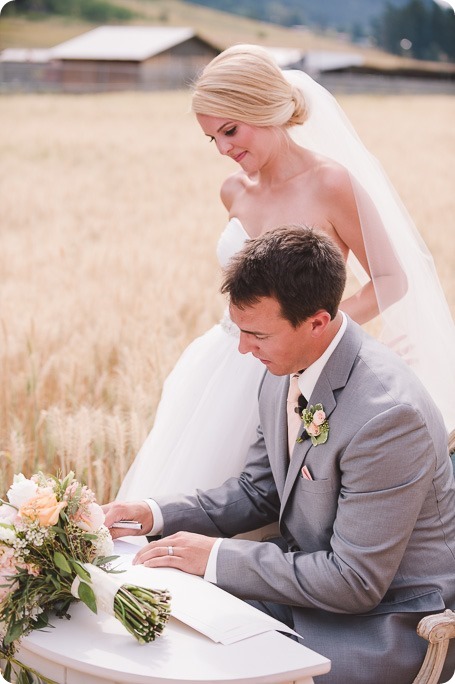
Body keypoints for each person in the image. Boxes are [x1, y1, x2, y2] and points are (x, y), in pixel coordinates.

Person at [104, 225, 455, 684]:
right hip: (306, 587)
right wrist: (152, 514)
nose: (243, 348)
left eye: (258, 335)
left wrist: (213, 557)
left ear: (316, 323)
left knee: (203, 669)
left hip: (385, 622)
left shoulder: (386, 417)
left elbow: (355, 582)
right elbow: (259, 489)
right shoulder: (282, 365)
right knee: (156, 637)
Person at [116, 44, 455, 503]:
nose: (223, 149)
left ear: (264, 107)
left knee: (276, 501)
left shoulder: (331, 183)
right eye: (212, 138)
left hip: (295, 363)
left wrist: (313, 332)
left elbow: (392, 280)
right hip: (223, 365)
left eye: (230, 130)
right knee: (193, 494)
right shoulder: (233, 191)